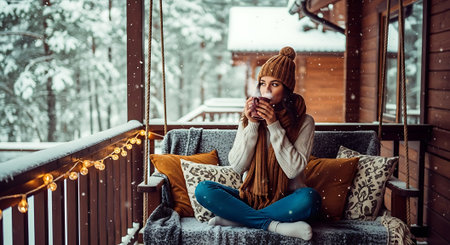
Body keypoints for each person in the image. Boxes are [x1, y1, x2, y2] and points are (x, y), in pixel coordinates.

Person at [195, 46, 320, 241]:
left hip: (286, 200)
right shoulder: (248, 118)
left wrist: (274, 125)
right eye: (262, 83)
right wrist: (252, 124)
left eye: (274, 84)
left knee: (310, 198)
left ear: (287, 89)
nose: (266, 90)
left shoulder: (304, 122)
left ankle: (239, 218)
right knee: (203, 189)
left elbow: (293, 170)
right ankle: (272, 224)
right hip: (250, 197)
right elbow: (237, 166)